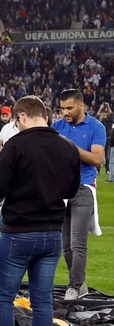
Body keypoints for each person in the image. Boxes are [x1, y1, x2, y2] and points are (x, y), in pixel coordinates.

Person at [0, 96, 81, 326]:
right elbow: (73, 188)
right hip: (51, 232)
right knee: (43, 303)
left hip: (18, 232)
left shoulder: (16, 144)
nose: (15, 124)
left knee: (3, 299)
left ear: (23, 116)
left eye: (16, 120)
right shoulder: (67, 147)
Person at [53, 89, 106, 300]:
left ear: (81, 106)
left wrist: (71, 147)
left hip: (83, 188)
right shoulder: (57, 126)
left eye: (69, 108)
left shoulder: (96, 127)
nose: (65, 112)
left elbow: (96, 159)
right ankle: (80, 284)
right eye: (62, 108)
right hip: (61, 189)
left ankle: (74, 286)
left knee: (77, 242)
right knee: (65, 245)